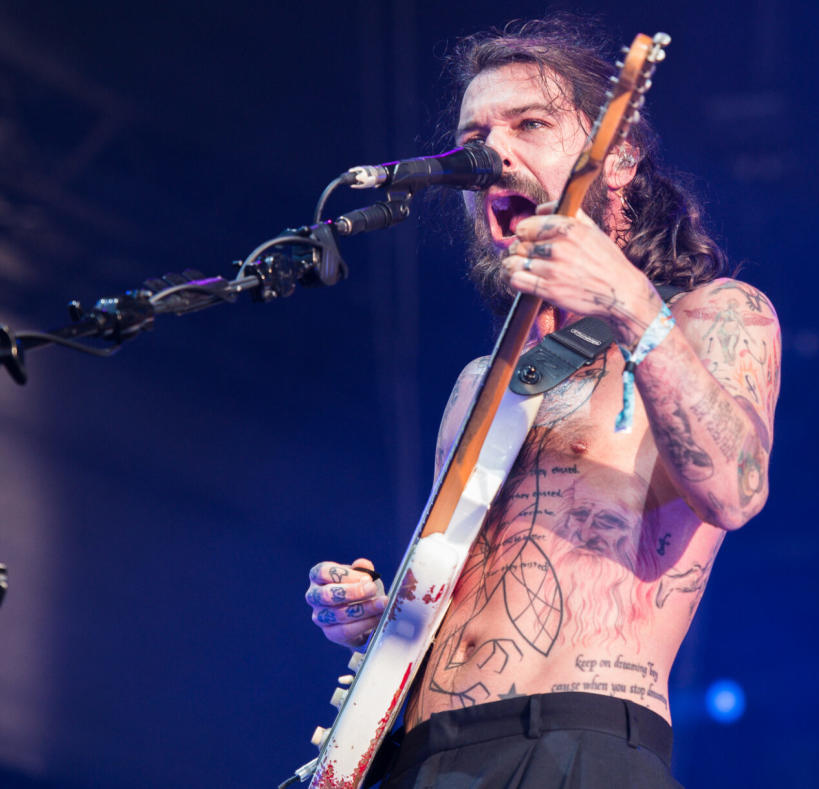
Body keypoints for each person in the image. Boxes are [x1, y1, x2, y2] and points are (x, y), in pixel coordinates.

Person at [305, 16, 780, 788]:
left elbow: (736, 486)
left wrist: (630, 303)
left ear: (616, 157)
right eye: (476, 134)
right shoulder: (478, 382)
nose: (494, 151)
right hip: (423, 757)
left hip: (574, 742)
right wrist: (380, 612)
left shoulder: (714, 315)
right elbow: (469, 588)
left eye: (530, 124)